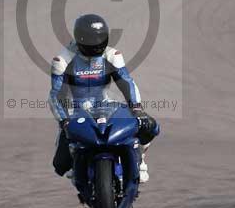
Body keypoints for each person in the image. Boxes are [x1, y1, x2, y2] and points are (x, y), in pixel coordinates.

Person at [49, 13, 159, 183]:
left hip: (106, 105)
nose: (97, 45)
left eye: (100, 39)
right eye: (92, 41)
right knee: (60, 164)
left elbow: (126, 82)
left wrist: (137, 109)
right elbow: (56, 95)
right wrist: (64, 121)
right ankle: (77, 164)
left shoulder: (112, 55)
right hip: (75, 112)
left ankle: (140, 161)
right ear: (80, 39)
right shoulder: (63, 60)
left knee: (148, 125)